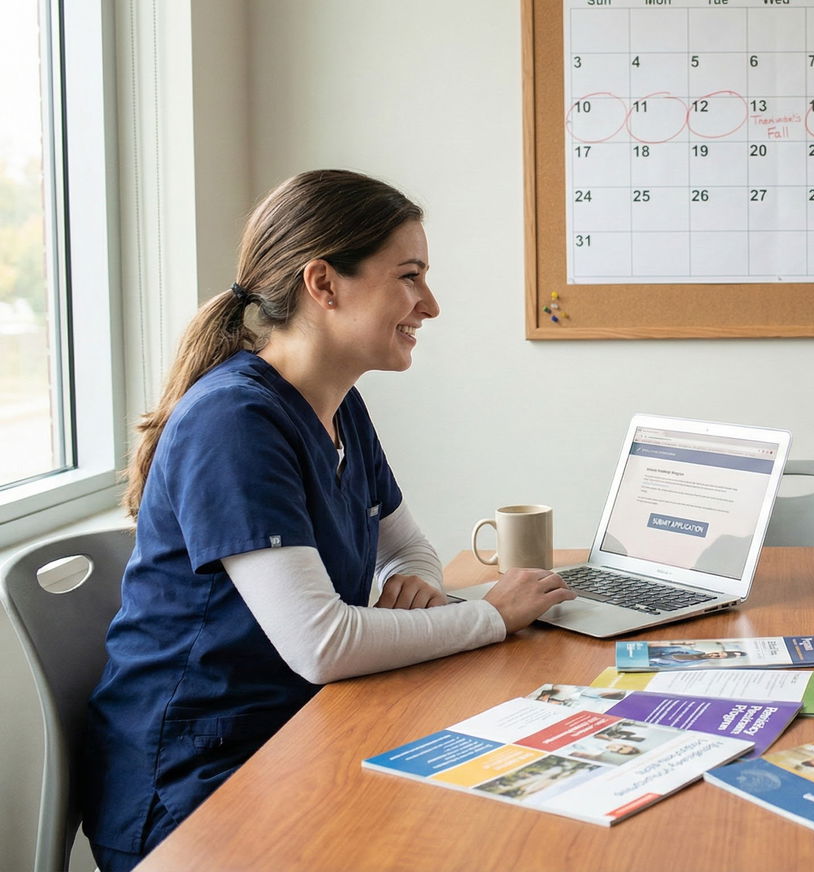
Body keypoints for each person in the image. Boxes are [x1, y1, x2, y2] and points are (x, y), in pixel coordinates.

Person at [81, 170, 578, 871]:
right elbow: (323, 644)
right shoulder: (236, 422)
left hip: (300, 732)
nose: (429, 305)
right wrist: (492, 617)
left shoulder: (338, 405)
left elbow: (408, 548)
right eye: (409, 276)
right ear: (324, 284)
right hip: (196, 786)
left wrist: (412, 577)